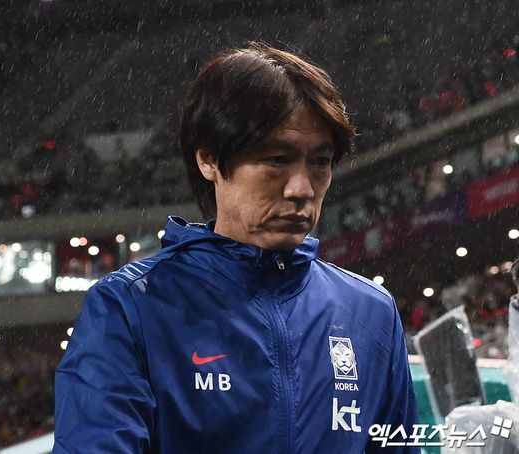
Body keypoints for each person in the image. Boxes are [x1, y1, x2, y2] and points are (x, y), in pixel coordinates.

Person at [54, 43, 419, 453]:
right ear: (209, 160)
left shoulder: (371, 312)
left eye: (320, 162)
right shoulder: (130, 307)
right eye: (277, 159)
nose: (302, 189)